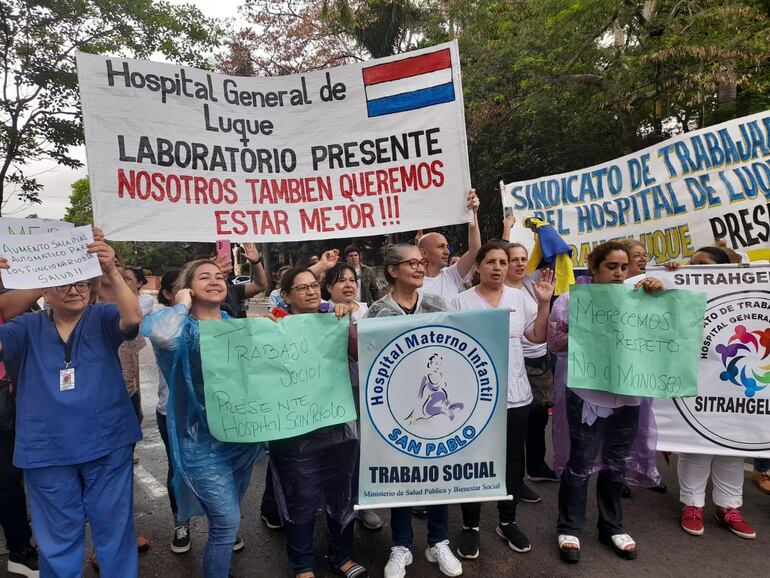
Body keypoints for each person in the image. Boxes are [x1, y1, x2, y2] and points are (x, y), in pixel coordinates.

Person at [0, 229, 143, 577]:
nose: (74, 289)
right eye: (63, 283)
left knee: (115, 531)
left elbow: (134, 318)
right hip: (46, 450)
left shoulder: (103, 318)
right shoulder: (24, 328)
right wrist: (41, 273)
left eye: (81, 282)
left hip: (107, 443)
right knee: (58, 540)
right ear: (44, 291)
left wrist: (109, 270)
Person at [142, 259, 266, 577]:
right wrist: (181, 307)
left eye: (219, 276)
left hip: (239, 440)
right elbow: (164, 337)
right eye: (204, 277)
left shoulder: (231, 322)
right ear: (188, 288)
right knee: (227, 524)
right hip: (199, 444)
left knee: (228, 517)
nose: (215, 281)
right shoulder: (180, 327)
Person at [548, 241, 663, 563]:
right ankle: (569, 526)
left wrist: (660, 293)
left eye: (624, 267)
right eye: (611, 266)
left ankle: (611, 525)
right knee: (580, 463)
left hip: (627, 397)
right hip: (586, 397)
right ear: (594, 267)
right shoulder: (573, 301)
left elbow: (665, 332)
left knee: (617, 464)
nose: (619, 273)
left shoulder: (640, 299)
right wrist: (587, 329)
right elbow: (555, 344)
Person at [452, 241, 554, 560]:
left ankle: (507, 521)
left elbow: (536, 337)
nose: (498, 267)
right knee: (475, 460)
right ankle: (471, 526)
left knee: (512, 461)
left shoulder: (519, 298)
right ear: (478, 266)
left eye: (503, 262)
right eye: (491, 261)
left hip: (515, 395)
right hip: (476, 399)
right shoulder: (461, 301)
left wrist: (544, 304)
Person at [366, 244, 463, 578]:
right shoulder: (378, 312)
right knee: (404, 478)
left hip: (436, 412)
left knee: (438, 476)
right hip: (398, 411)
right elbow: (368, 361)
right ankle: (402, 546)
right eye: (413, 263)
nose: (421, 267)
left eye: (423, 262)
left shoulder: (437, 304)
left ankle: (439, 542)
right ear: (393, 270)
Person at [269, 266, 368, 578]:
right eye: (302, 288)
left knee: (343, 492)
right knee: (299, 498)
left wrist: (347, 323)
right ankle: (303, 565)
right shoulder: (272, 325)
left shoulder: (335, 317)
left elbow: (358, 355)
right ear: (286, 296)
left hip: (337, 424)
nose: (311, 292)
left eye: (314, 286)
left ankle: (342, 556)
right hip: (293, 429)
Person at [673, 246, 757, 539]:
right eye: (691, 263)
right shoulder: (681, 291)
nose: (694, 268)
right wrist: (665, 282)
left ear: (722, 268)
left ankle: (728, 507)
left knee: (733, 448)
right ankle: (692, 504)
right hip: (696, 379)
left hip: (735, 383)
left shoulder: (745, 292)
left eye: (703, 264)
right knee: (696, 445)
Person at [324, 263, 383, 533]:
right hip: (331, 393)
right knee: (335, 450)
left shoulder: (369, 310)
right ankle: (333, 504)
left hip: (364, 389)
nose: (348, 285)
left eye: (352, 280)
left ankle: (361, 504)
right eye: (340, 281)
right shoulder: (320, 312)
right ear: (328, 288)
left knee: (361, 448)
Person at [0, 287, 43, 577]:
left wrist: (63, 265)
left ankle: (19, 548)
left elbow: (12, 304)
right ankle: (18, 548)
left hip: (6, 395)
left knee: (8, 477)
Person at [418, 189, 481, 303]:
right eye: (441, 246)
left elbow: (475, 250)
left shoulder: (451, 275)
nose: (447, 251)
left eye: (447, 246)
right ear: (424, 253)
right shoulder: (411, 282)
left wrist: (473, 214)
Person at [218, 242, 268, 317]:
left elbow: (260, 285)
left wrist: (256, 262)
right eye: (205, 277)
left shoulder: (233, 292)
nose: (222, 268)